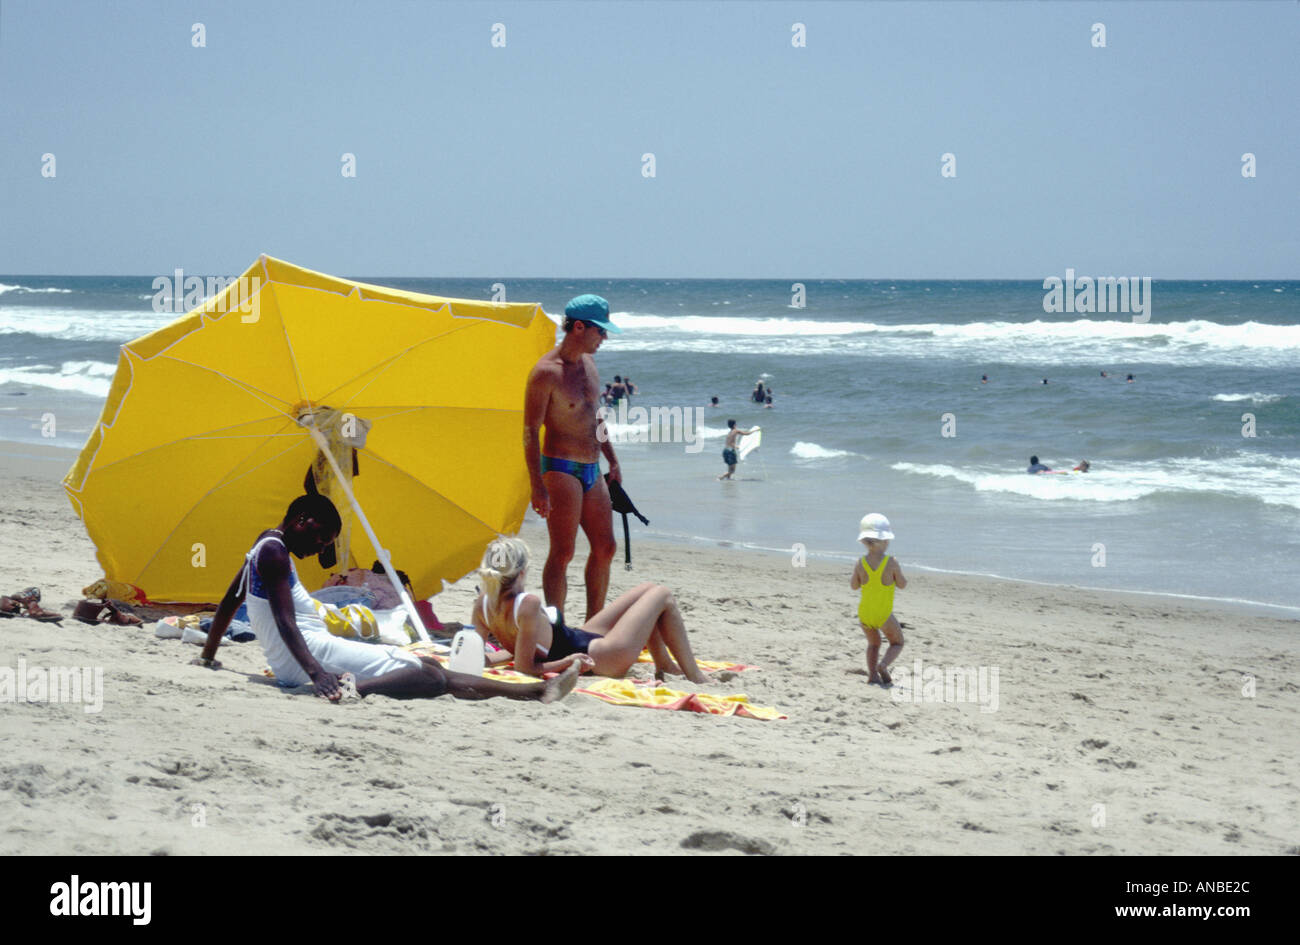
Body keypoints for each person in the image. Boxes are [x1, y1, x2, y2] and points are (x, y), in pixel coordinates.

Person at [192, 494, 579, 704]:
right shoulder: (275, 553)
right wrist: (317, 676)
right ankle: (353, 689)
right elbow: (285, 623)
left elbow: (229, 600)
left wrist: (210, 656)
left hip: (304, 657)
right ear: (302, 519)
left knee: (425, 665)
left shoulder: (265, 545)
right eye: (320, 538)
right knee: (428, 676)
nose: (319, 549)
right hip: (308, 659)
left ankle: (532, 692)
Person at [471, 538, 710, 683]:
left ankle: (665, 664)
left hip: (578, 638)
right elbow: (525, 669)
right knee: (662, 595)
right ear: (522, 572)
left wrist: (496, 658)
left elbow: (488, 657)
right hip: (602, 658)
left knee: (647, 589)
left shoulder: (483, 605)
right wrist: (568, 662)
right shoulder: (528, 604)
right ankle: (695, 677)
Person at [524, 294, 622, 622]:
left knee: (606, 547)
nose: (604, 337)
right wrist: (536, 486)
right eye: (600, 331)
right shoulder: (545, 372)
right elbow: (529, 431)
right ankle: (557, 625)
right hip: (560, 467)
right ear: (578, 327)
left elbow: (596, 418)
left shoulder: (590, 365)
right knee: (564, 552)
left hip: (592, 467)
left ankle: (594, 624)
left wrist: (613, 460)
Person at [850, 513, 906, 686]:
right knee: (897, 642)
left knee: (873, 644)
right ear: (886, 540)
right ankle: (883, 665)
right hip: (882, 613)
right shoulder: (891, 562)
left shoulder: (861, 562)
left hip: (865, 613)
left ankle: (872, 675)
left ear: (864, 541)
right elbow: (902, 584)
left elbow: (854, 586)